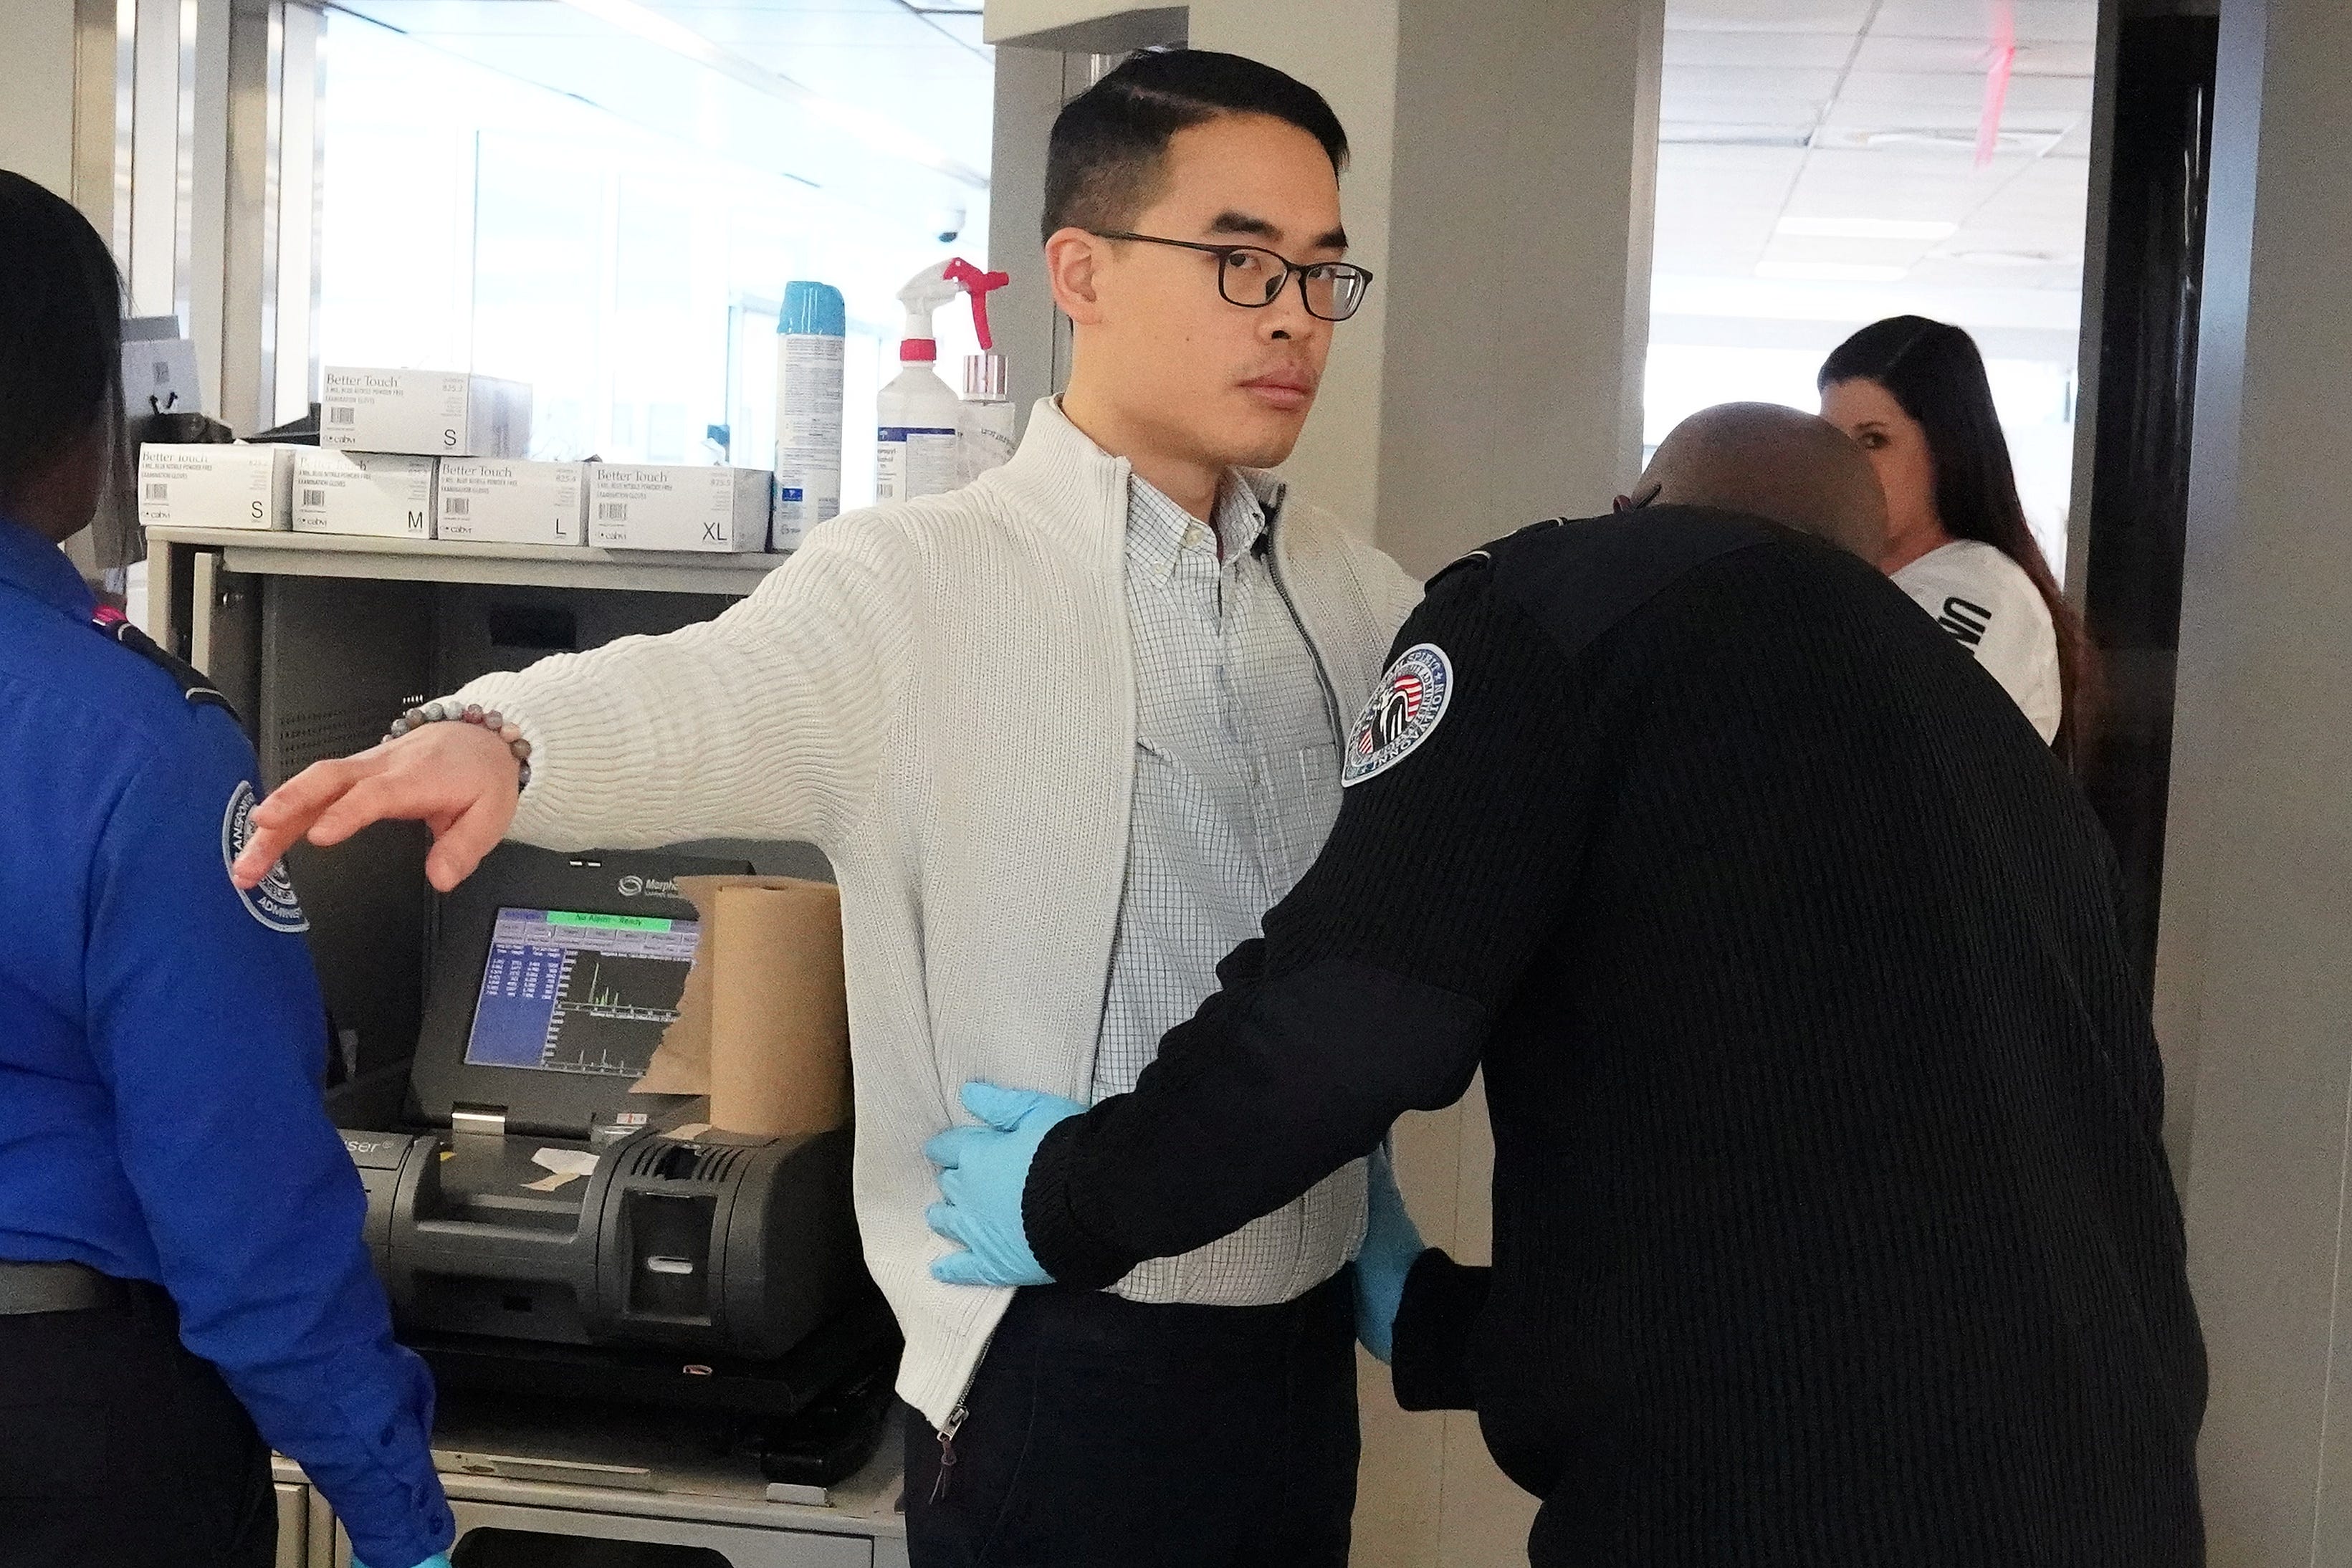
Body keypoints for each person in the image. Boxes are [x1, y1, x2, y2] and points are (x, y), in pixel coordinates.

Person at [231, 49, 1422, 1567]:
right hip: (1058, 1355)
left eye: (1323, 275)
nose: (1291, 318)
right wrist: (498, 730)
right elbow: (715, 686)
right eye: (1241, 261)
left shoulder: (1349, 592)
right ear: (1084, 272)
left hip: (1300, 1353)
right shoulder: (930, 577)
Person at [924, 403, 2207, 1567]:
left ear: (1632, 505)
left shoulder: (1562, 596)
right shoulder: (2008, 763)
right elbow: (1868, 1196)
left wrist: (1068, 1195)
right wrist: (1438, 1323)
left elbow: (1353, 1011)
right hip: (2120, 1494)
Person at [0, 172, 454, 1568]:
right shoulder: (133, 743)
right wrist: (397, 1509)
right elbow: (242, 1193)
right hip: (60, 1426)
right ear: (88, 429)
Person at [1819, 315, 2094, 752]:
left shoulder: (1982, 588)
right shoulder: (1858, 582)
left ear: (1944, 447)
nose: (1845, 464)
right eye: (1830, 442)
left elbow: (1884, 752)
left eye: (1873, 441)